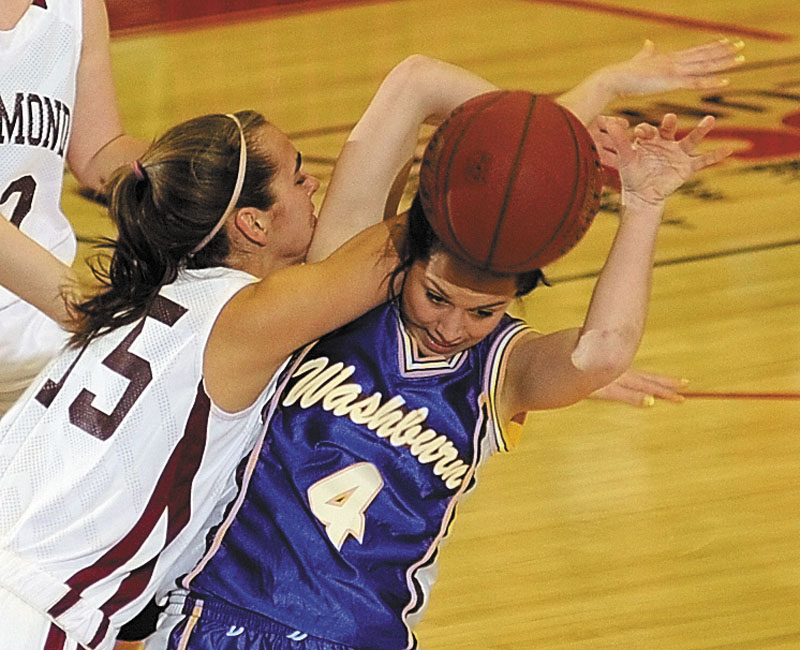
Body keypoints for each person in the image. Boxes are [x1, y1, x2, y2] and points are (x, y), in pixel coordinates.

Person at [0, 41, 740, 650]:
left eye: (482, 310)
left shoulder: (133, 299)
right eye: (295, 178)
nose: (316, 181)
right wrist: (578, 149)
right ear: (252, 224)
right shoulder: (280, 313)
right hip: (120, 615)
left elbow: (578, 328)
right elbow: (470, 193)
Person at [152, 110, 731, 650]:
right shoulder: (333, 304)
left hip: (366, 636)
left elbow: (602, 351)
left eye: (484, 312)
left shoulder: (501, 372)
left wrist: (645, 204)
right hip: (223, 614)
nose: (453, 327)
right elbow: (410, 85)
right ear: (406, 262)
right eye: (435, 297)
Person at [0, 0, 147, 415]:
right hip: (60, 305)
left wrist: (187, 162)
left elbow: (99, 152)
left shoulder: (76, 7)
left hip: (39, 328)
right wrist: (89, 310)